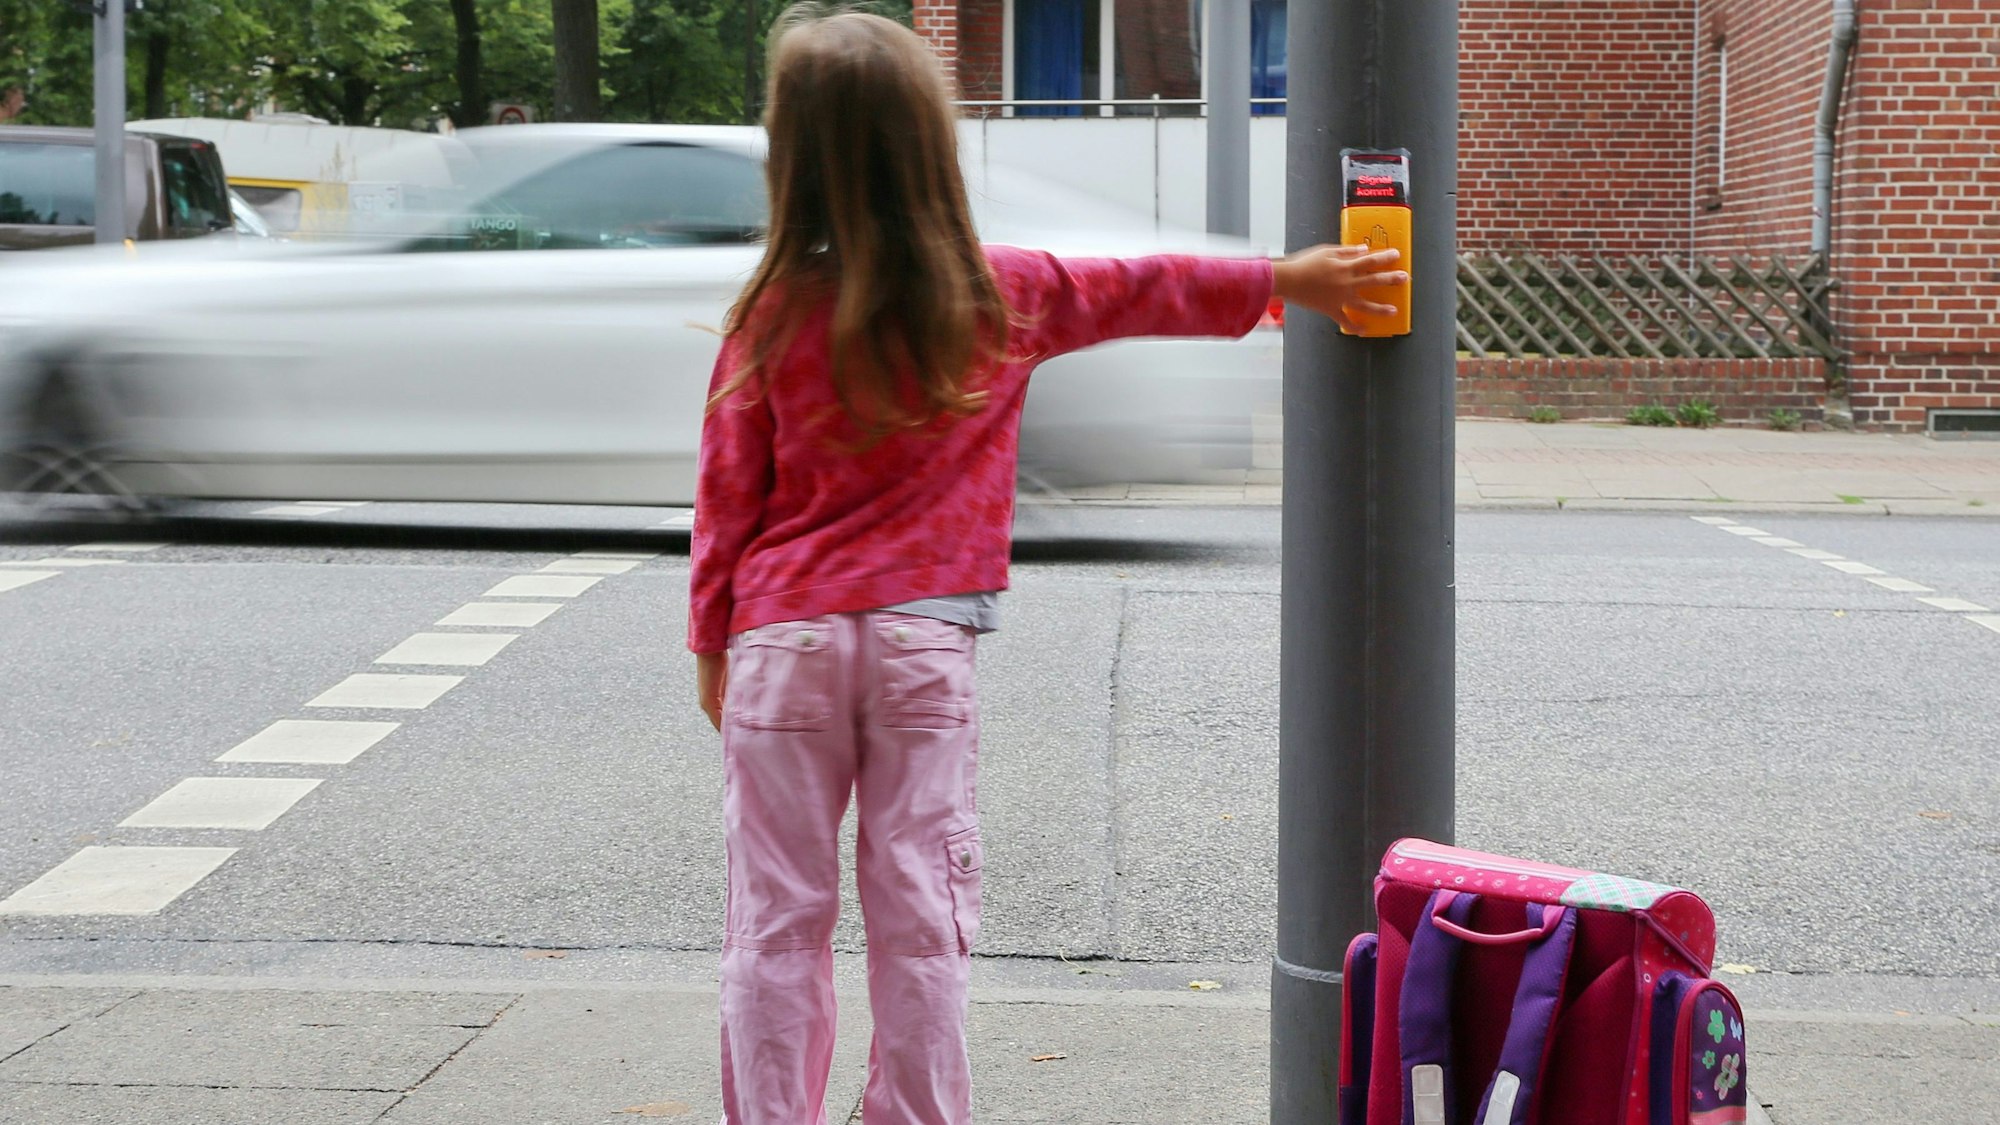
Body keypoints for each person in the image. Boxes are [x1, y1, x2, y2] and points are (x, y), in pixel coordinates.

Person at [688, 8, 1405, 1124]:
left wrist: (709, 647)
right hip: (923, 647)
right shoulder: (1000, 293)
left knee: (775, 923)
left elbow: (726, 497)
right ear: (930, 145)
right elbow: (1146, 284)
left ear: (792, 155)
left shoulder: (769, 314)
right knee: (920, 920)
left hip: (782, 642)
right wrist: (1287, 279)